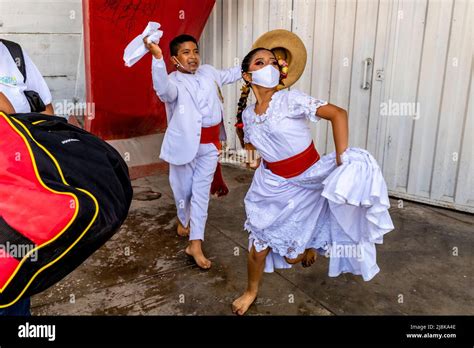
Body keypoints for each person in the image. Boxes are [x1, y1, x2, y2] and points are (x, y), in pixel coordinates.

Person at [232, 30, 394, 315]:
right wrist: (242, 156)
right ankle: (251, 290)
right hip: (271, 185)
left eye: (272, 62)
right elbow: (254, 160)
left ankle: (309, 247)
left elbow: (338, 114)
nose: (268, 66)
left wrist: (343, 161)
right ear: (247, 76)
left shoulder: (290, 100)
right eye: (260, 63)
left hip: (308, 181)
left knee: (294, 257)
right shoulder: (247, 116)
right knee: (259, 244)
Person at [144, 34, 241, 269]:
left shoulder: (208, 72)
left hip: (209, 146)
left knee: (199, 194)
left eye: (195, 51)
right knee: (183, 192)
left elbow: (232, 73)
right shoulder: (172, 81)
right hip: (183, 146)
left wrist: (262, 62)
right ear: (175, 59)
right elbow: (162, 89)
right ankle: (183, 219)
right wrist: (157, 58)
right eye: (186, 52)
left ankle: (195, 244)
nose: (193, 57)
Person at [0, 39, 54, 114]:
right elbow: (7, 111)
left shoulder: (13, 51)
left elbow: (44, 104)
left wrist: (49, 124)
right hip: (11, 123)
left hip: (25, 123)